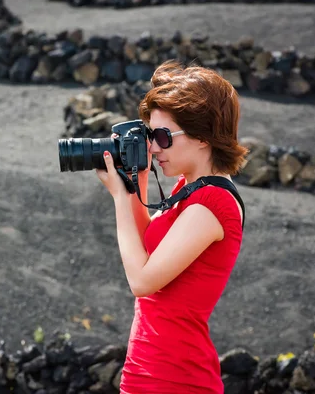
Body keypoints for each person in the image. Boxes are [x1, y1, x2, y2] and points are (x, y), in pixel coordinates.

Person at [95, 60, 248, 394]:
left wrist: (122, 199)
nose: (153, 147)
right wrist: (139, 179)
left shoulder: (212, 203)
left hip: (176, 379)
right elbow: (150, 247)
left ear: (203, 136)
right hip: (147, 372)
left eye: (163, 137)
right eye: (151, 136)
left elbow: (142, 280)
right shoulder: (189, 188)